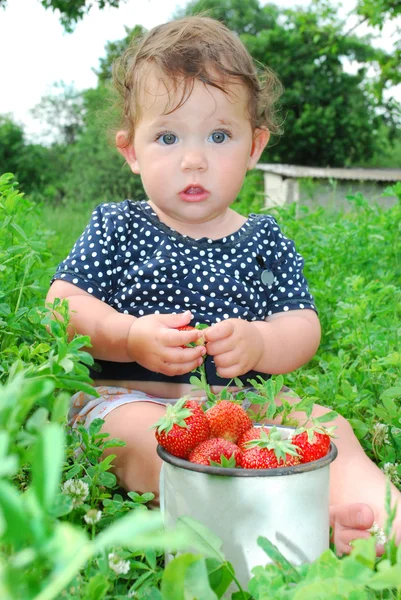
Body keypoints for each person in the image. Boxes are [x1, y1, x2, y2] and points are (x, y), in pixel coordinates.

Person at [46, 15, 400, 556]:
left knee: (328, 429)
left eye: (219, 135)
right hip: (132, 398)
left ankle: (378, 522)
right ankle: (273, 525)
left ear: (254, 146)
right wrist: (128, 334)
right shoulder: (117, 226)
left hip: (246, 406)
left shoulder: (263, 237)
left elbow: (302, 326)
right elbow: (61, 305)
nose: (194, 158)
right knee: (146, 441)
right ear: (131, 150)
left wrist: (260, 342)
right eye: (167, 136)